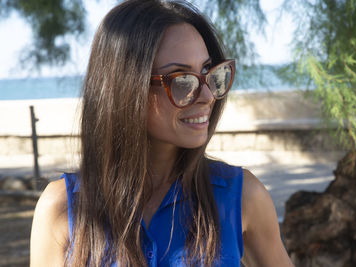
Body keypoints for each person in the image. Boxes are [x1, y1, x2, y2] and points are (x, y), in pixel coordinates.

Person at [30, 0, 294, 266]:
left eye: (207, 71)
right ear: (126, 87)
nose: (206, 95)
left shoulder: (242, 196)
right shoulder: (62, 207)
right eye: (181, 79)